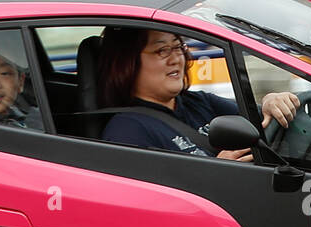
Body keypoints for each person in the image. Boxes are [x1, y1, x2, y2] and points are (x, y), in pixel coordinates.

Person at [97, 27, 299, 158]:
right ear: (127, 63)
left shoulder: (200, 102)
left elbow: (259, 121)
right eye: (162, 51)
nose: (176, 58)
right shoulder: (126, 132)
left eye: (177, 47)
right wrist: (217, 171)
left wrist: (271, 102)